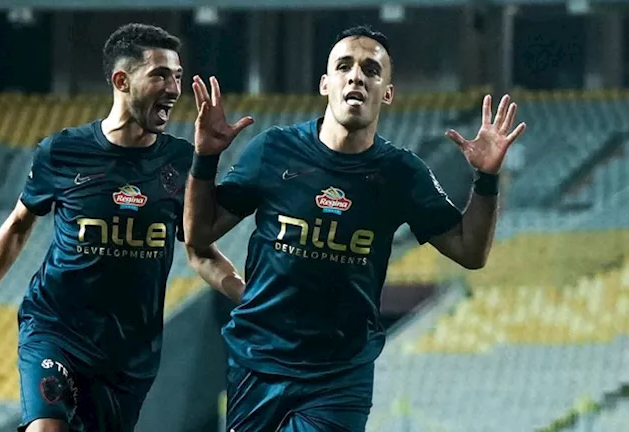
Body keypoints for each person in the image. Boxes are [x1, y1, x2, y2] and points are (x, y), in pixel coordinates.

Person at [183, 25, 526, 432]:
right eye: (344, 66)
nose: (356, 77)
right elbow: (199, 235)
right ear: (325, 84)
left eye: (371, 70)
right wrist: (204, 158)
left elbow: (470, 251)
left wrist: (486, 179)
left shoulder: (401, 173)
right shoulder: (273, 151)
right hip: (259, 359)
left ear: (387, 93)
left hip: (340, 374)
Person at [0, 23, 244, 432]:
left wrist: (252, 298)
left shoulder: (183, 161)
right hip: (55, 327)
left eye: (177, 76)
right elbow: (17, 226)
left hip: (129, 353)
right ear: (121, 81)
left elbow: (199, 250)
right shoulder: (63, 151)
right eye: (160, 75)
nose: (174, 88)